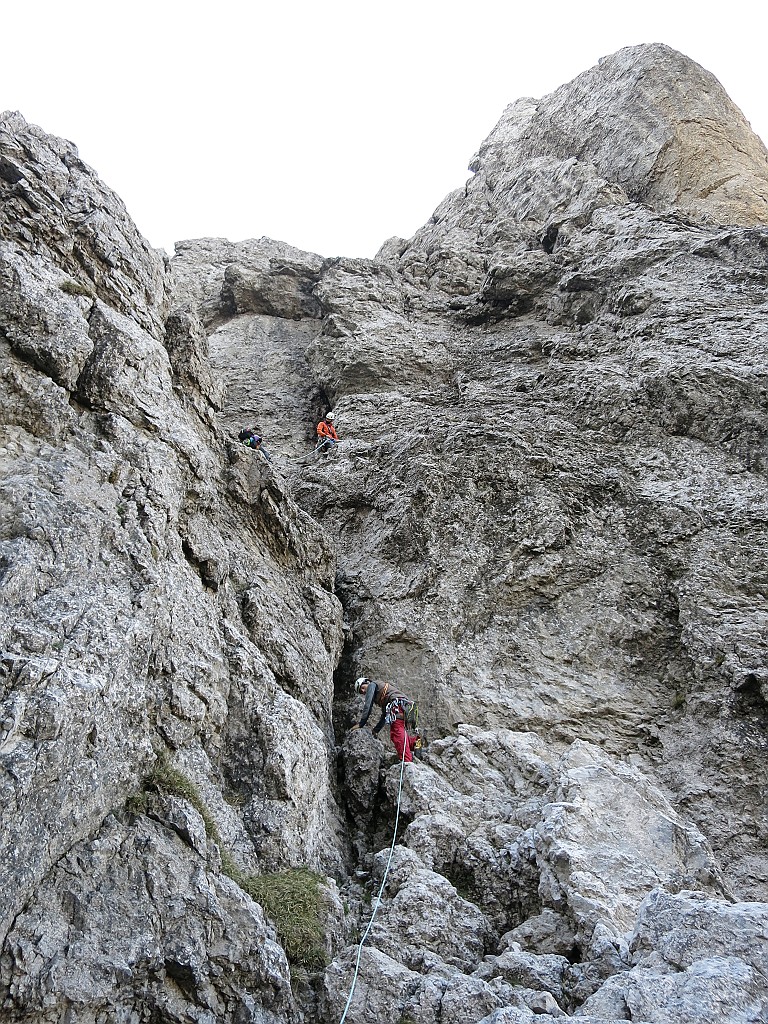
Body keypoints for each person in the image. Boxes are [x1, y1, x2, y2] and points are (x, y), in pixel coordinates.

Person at [352, 676, 420, 762]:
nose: (363, 691)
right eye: (361, 692)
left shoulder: (372, 685)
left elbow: (368, 706)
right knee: (396, 734)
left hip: (398, 707)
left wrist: (361, 724)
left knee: (397, 733)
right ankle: (415, 742)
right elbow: (385, 715)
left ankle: (406, 760)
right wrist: (376, 730)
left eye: (362, 687)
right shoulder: (383, 694)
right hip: (404, 707)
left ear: (367, 682)